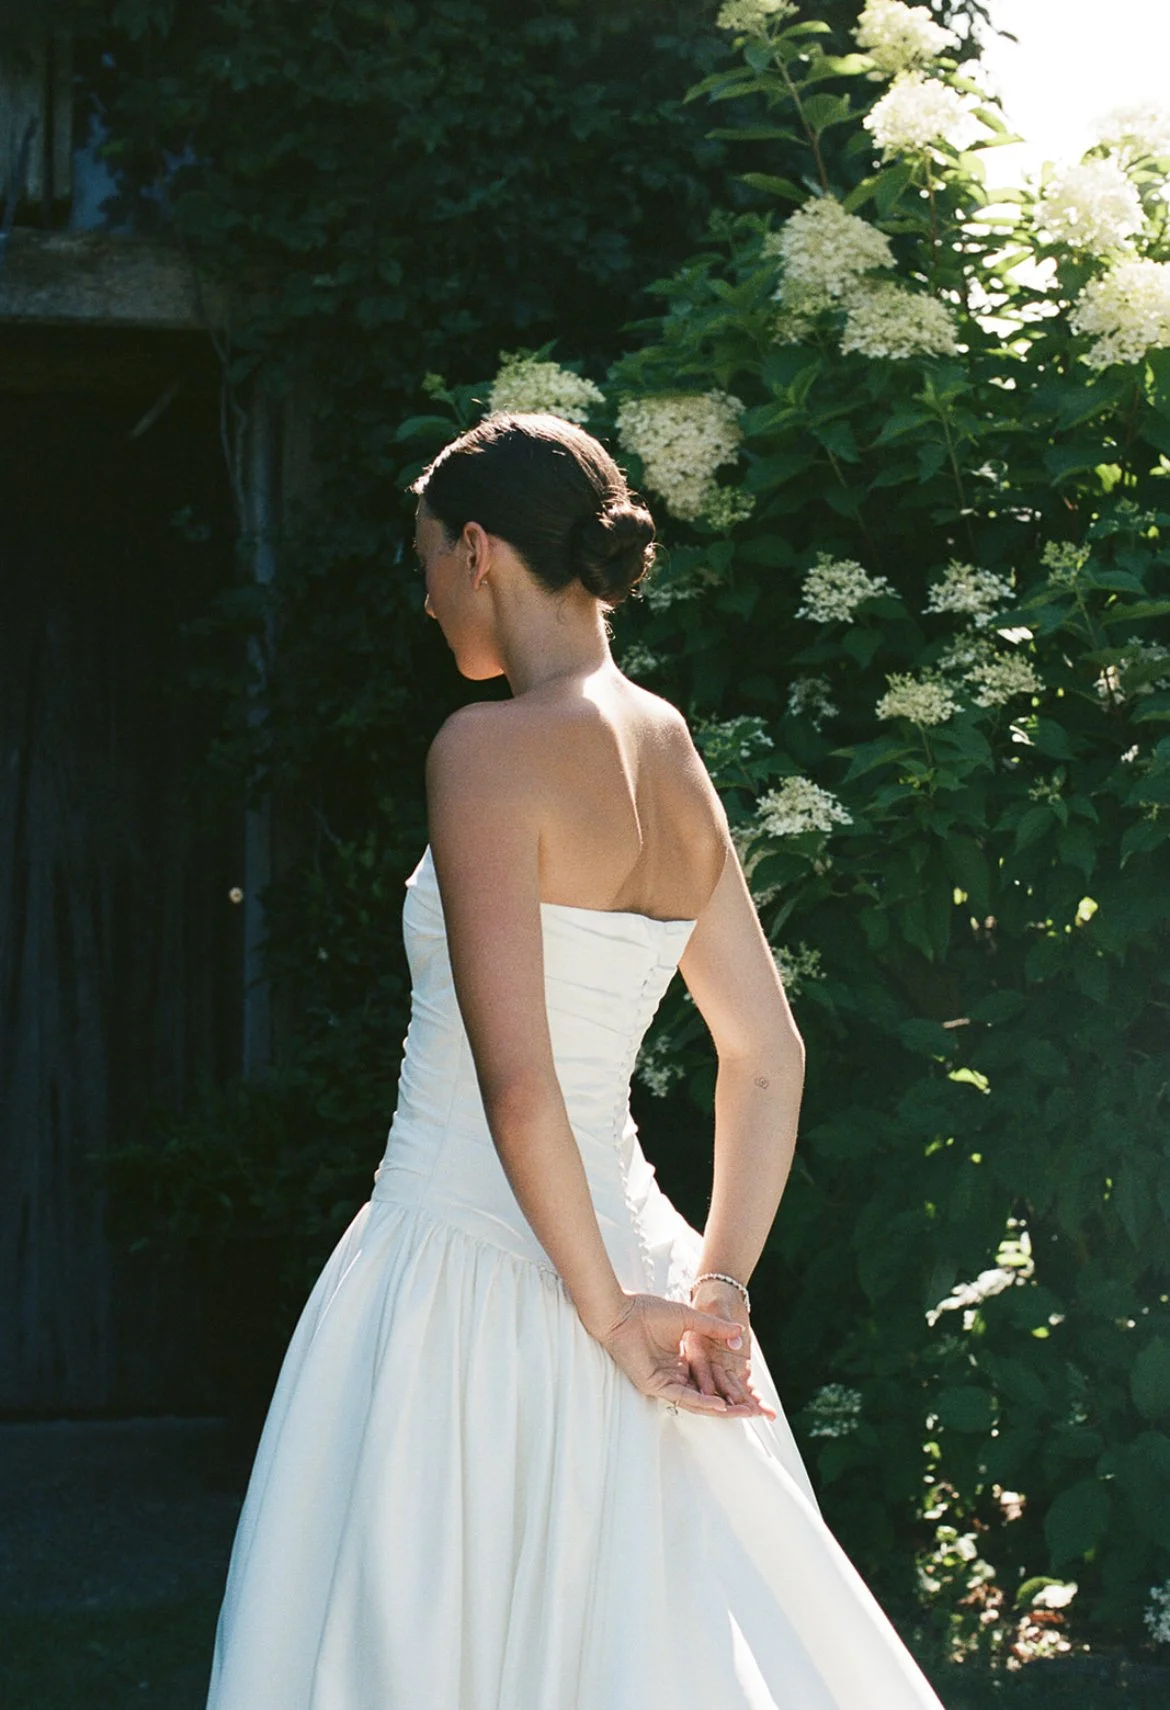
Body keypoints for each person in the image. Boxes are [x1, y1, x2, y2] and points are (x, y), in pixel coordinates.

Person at [206, 414, 946, 1708]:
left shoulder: (482, 750)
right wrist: (712, 1288)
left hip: (468, 1273)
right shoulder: (670, 749)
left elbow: (517, 1085)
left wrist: (610, 1319)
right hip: (648, 1259)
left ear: (479, 548)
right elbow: (766, 1053)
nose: (426, 592)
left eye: (427, 557)